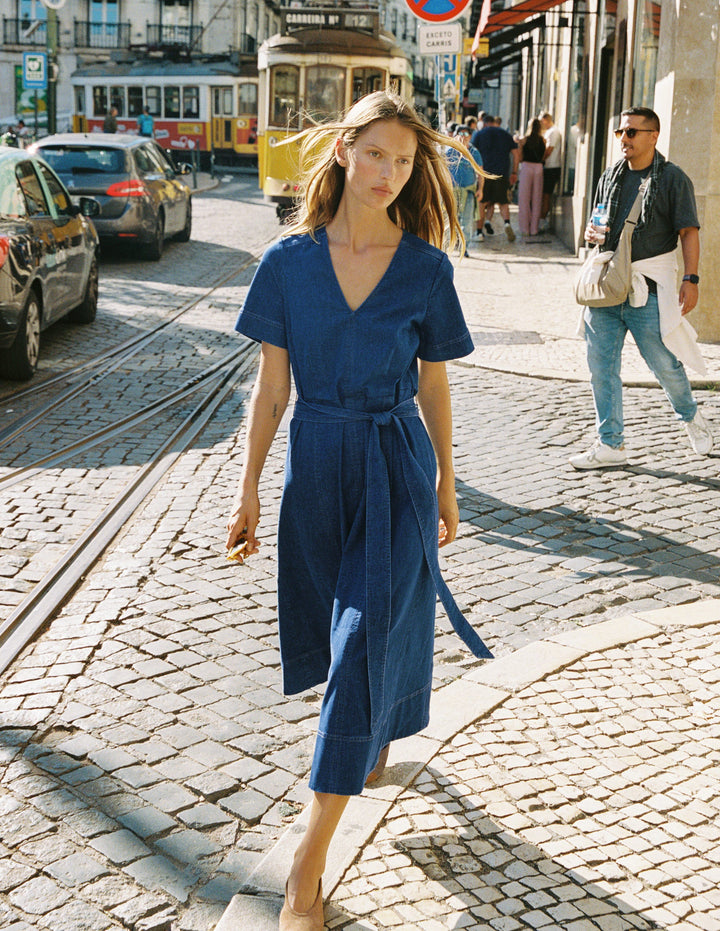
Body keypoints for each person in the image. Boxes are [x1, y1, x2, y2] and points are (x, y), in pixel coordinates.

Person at [225, 90, 492, 930]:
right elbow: (271, 390)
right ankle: (369, 741)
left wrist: (447, 481)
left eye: (406, 160)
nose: (390, 172)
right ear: (343, 151)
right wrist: (248, 488)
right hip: (315, 467)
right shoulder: (287, 263)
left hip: (395, 465)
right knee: (348, 644)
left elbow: (435, 382)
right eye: (376, 153)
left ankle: (308, 861)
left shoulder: (426, 268)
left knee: (362, 643)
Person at [570, 106, 712, 469]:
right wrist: (592, 233)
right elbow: (599, 220)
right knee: (601, 366)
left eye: (631, 132)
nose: (623, 139)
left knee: (663, 363)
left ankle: (690, 416)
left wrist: (690, 279)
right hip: (607, 287)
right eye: (620, 132)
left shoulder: (672, 179)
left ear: (653, 136)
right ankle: (611, 445)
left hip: (647, 287)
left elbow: (688, 232)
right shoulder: (611, 176)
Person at [471, 114, 518, 241]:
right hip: (502, 173)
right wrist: (514, 172)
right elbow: (516, 153)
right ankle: (507, 223)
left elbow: (471, 152)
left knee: (481, 203)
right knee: (503, 202)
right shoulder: (505, 134)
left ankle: (479, 233)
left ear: (484, 123)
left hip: (484, 174)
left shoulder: (479, 135)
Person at [446, 124, 483, 256]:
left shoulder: (474, 152)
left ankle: (464, 247)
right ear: (456, 136)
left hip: (468, 191)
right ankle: (451, 244)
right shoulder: (449, 152)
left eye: (466, 134)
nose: (463, 137)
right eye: (460, 134)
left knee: (466, 220)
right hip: (452, 192)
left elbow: (480, 173)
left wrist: (481, 189)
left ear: (470, 136)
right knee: (452, 219)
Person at [539, 111, 562, 229]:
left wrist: (540, 159)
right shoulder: (549, 132)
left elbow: (549, 149)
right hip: (548, 166)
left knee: (546, 194)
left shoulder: (554, 132)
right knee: (544, 194)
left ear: (546, 120)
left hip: (551, 166)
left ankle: (543, 219)